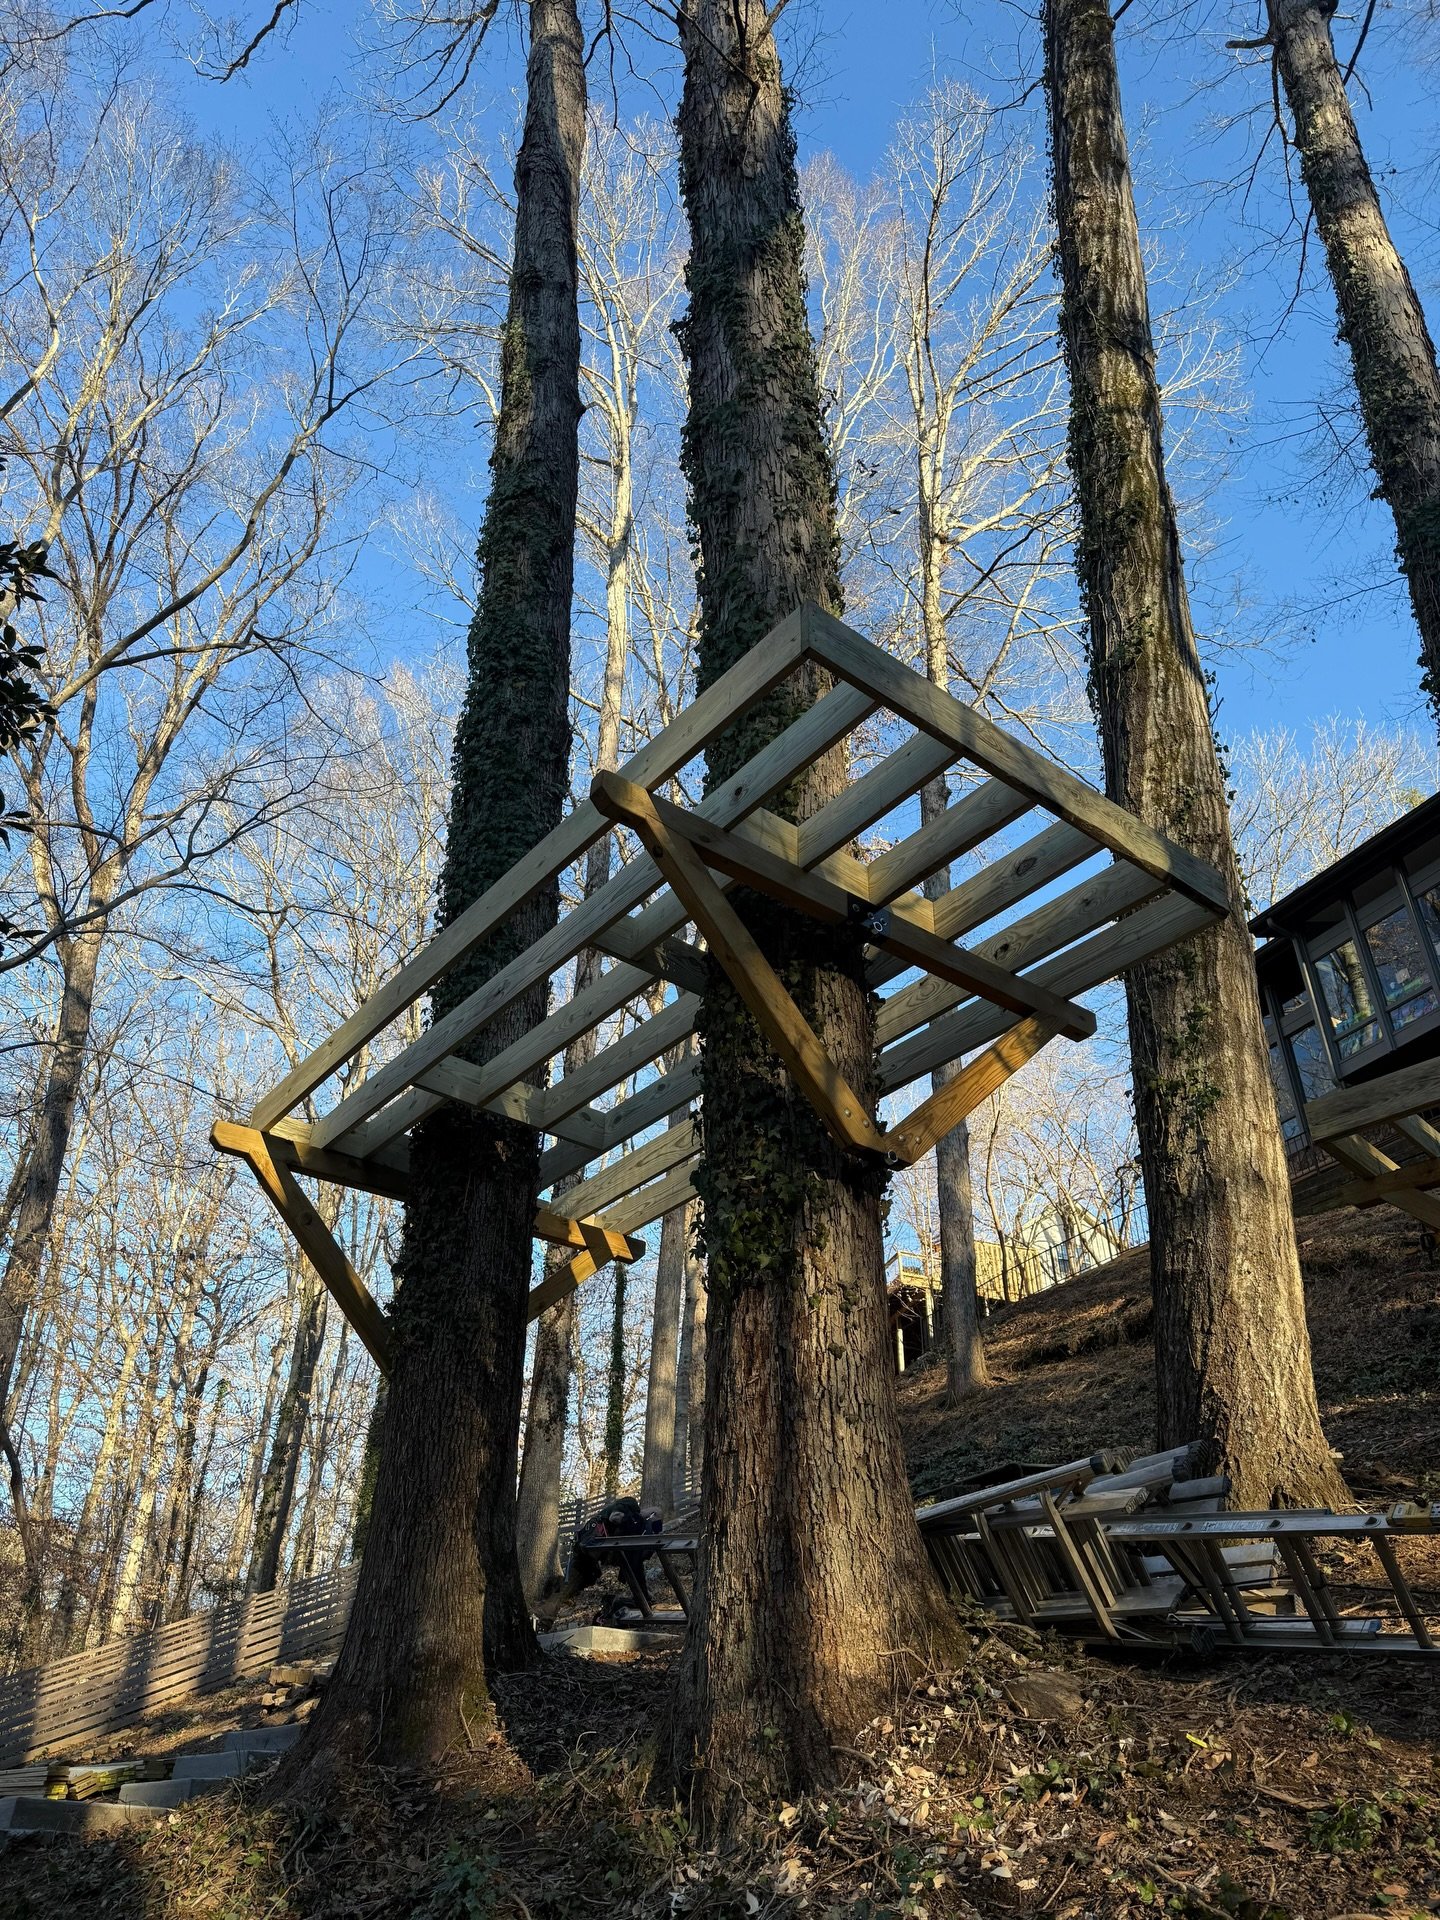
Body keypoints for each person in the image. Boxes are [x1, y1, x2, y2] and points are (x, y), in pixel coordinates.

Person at [535, 1497, 663, 1625]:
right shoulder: (629, 1504)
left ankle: (544, 1616)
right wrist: (632, 1517)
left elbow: (635, 1567)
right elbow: (615, 1517)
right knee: (569, 1585)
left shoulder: (637, 1525)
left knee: (633, 1564)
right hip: (590, 1548)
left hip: (597, 1549)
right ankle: (542, 1616)